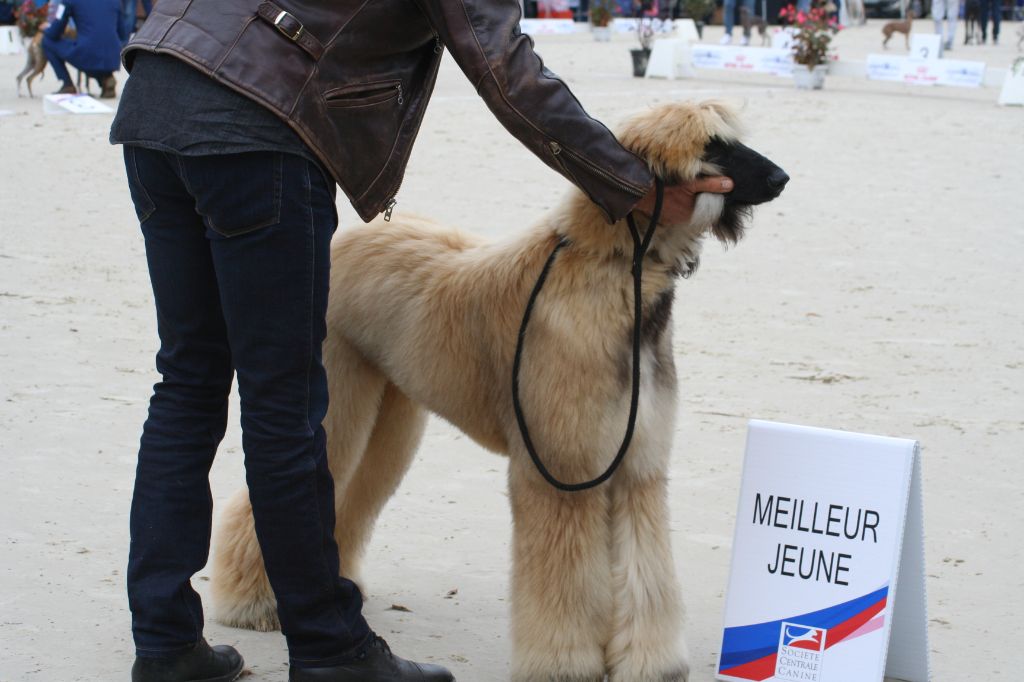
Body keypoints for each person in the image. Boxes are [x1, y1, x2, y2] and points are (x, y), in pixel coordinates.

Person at [109, 1, 735, 681]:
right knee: (284, 406)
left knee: (188, 382)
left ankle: (166, 642)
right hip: (258, 128)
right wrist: (632, 185)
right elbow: (505, 68)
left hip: (156, 93)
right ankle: (330, 648)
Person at [42, 0, 125, 97]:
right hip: (113, 57)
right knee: (96, 47)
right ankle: (106, 78)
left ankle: (67, 84)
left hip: (88, 54)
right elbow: (123, 32)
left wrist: (46, 29)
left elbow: (54, 32)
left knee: (47, 41)